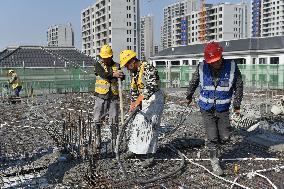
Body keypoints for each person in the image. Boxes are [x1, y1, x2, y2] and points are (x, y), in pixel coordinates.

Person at [185, 41, 243, 176]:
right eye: (212, 61)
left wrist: (237, 105)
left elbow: (238, 86)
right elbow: (194, 82)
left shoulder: (232, 67)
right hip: (206, 108)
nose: (214, 64)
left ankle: (216, 145)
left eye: (216, 61)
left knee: (225, 137)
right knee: (212, 137)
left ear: (221, 56)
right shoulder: (202, 66)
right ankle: (214, 160)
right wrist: (188, 95)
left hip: (223, 108)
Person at [119, 49, 164, 168]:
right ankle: (134, 150)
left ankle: (150, 156)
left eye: (127, 65)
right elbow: (134, 90)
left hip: (155, 99)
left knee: (151, 127)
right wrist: (134, 102)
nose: (127, 68)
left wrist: (139, 99)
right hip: (144, 100)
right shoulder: (134, 73)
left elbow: (151, 85)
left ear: (133, 61)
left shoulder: (148, 67)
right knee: (137, 124)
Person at [93, 44, 124, 151]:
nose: (105, 60)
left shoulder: (117, 65)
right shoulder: (98, 64)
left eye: (107, 58)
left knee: (114, 119)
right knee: (97, 118)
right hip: (101, 96)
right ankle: (98, 139)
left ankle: (115, 141)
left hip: (113, 97)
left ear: (111, 56)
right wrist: (113, 74)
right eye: (103, 58)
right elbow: (103, 74)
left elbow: (120, 77)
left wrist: (120, 75)